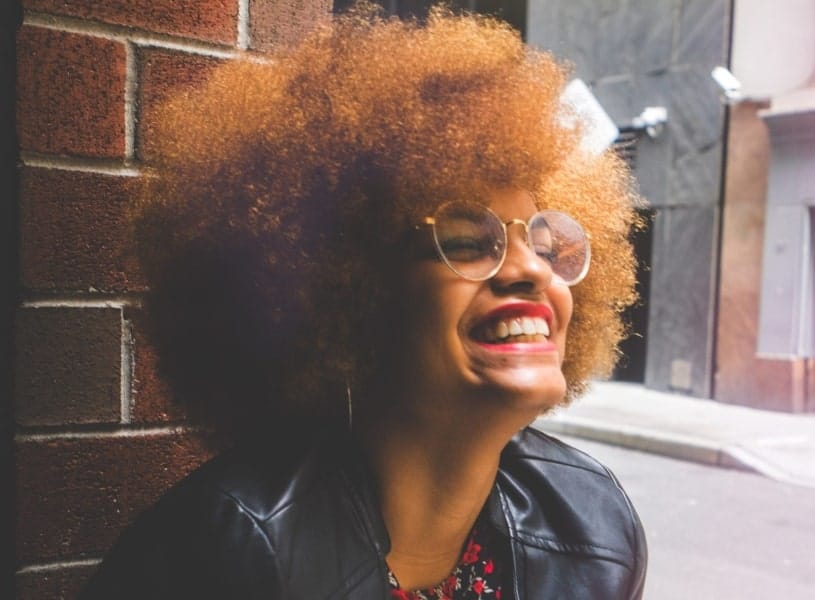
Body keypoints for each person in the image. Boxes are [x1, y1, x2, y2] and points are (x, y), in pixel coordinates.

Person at [81, 5, 647, 599]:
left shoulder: (595, 531)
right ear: (348, 294)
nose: (531, 269)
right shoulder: (225, 552)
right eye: (464, 241)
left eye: (544, 242)